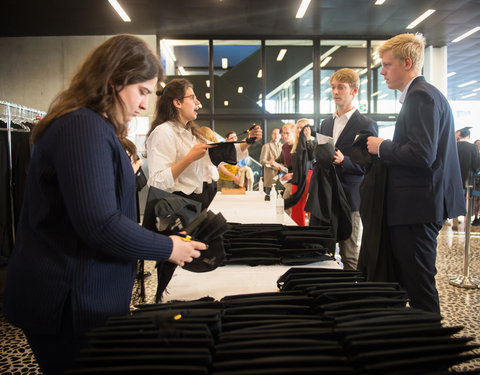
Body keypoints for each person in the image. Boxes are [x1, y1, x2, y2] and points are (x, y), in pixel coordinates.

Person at [2, 35, 207, 375]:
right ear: (114, 80)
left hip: (78, 294)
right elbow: (99, 224)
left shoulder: (90, 127)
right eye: (142, 91)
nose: (144, 104)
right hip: (66, 299)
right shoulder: (82, 126)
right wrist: (167, 248)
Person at [366, 33, 465, 313]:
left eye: (387, 65)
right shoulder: (424, 95)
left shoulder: (421, 96)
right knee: (412, 280)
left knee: (419, 284)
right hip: (417, 207)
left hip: (416, 209)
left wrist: (382, 146)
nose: (382, 72)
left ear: (406, 63)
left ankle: (430, 349)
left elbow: (422, 154)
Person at [146, 79, 261, 302]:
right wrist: (189, 158)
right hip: (176, 211)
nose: (198, 103)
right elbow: (158, 182)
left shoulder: (190, 133)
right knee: (173, 271)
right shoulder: (162, 134)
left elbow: (219, 155)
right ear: (177, 103)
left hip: (193, 207)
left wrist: (248, 142)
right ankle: (163, 307)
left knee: (192, 266)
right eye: (192, 98)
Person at [319, 68, 378, 270]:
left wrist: (345, 161)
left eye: (341, 88)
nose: (335, 92)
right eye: (333, 87)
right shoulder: (326, 123)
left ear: (354, 90)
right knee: (322, 251)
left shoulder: (366, 124)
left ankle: (352, 297)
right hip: (325, 196)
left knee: (349, 254)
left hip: (350, 198)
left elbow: (368, 166)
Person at [288, 119, 316, 226]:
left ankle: (312, 233)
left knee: (311, 209)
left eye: (302, 127)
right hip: (297, 178)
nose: (300, 130)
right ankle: (298, 232)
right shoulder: (295, 144)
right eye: (298, 127)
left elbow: (312, 156)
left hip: (309, 177)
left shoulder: (313, 142)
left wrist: (308, 139)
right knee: (296, 209)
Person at [454, 127, 480, 230]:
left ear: (460, 136)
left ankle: (455, 221)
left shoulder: (454, 146)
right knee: (469, 199)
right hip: (468, 179)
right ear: (468, 136)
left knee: (455, 197)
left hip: (455, 178)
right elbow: (476, 165)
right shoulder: (473, 148)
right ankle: (467, 221)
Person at [271, 122, 296, 216]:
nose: (284, 136)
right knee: (285, 205)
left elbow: (305, 167)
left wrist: (293, 174)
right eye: (283, 133)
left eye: (287, 133)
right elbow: (285, 164)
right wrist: (276, 165)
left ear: (294, 133)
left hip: (298, 179)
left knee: (287, 204)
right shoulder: (285, 147)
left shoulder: (299, 146)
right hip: (288, 179)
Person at [260, 128, 282, 200]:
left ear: (280, 135)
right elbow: (262, 160)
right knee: (269, 199)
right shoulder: (266, 146)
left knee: (279, 197)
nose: (276, 135)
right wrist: (272, 164)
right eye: (274, 134)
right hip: (270, 174)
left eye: (278, 134)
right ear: (272, 135)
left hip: (281, 175)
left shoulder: (283, 147)